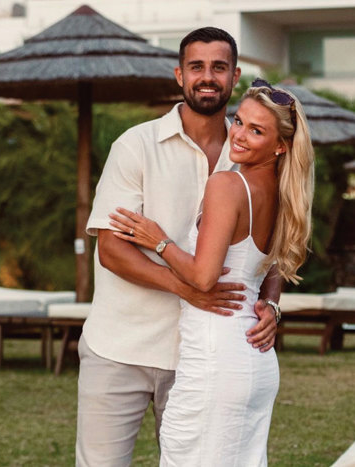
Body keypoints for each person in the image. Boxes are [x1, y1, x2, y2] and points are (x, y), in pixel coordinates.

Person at [77, 27, 282, 466]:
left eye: (219, 67)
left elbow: (274, 249)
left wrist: (272, 304)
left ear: (234, 76)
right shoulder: (136, 145)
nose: (207, 77)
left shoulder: (250, 146)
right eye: (196, 67)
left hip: (205, 355)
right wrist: (186, 287)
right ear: (179, 75)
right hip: (122, 347)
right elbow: (112, 250)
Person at [110, 80, 314, 465]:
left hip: (217, 358)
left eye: (257, 131)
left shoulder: (227, 185)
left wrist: (158, 241)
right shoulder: (283, 192)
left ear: (280, 145)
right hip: (254, 361)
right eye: (239, 121)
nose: (238, 134)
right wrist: (270, 303)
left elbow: (204, 279)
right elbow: (270, 268)